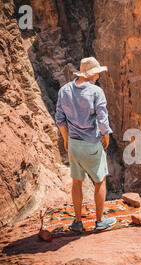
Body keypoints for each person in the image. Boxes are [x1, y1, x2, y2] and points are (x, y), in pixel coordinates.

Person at [55, 57, 116, 232]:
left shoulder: (64, 90)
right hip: (91, 143)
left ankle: (77, 222)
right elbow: (102, 119)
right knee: (100, 180)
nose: (98, 75)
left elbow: (60, 119)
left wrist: (66, 139)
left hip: (73, 144)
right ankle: (99, 221)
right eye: (97, 72)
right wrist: (106, 136)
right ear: (90, 74)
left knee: (76, 181)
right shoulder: (96, 92)